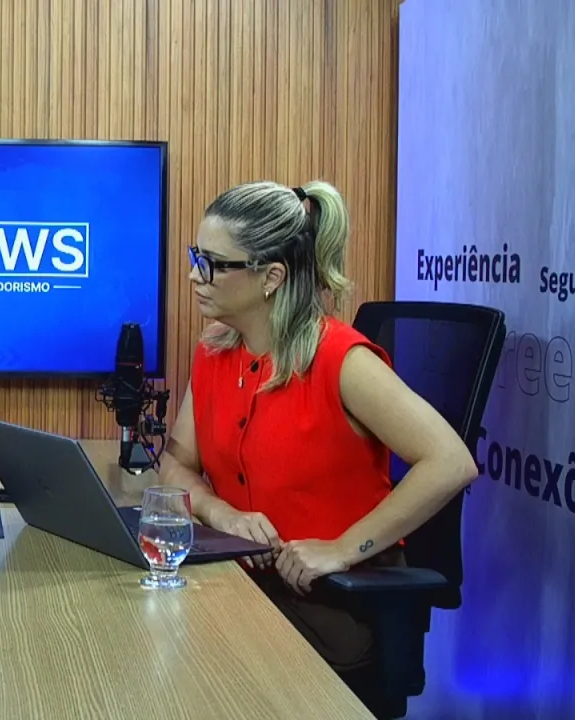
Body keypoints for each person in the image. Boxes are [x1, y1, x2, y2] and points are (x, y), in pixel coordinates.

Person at [160, 180, 478, 675]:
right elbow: (176, 465)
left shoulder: (341, 360)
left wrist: (342, 550)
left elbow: (451, 462)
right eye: (196, 256)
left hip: (329, 606)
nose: (194, 274)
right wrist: (221, 513)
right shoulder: (215, 348)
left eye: (213, 264)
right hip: (242, 589)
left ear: (271, 277)